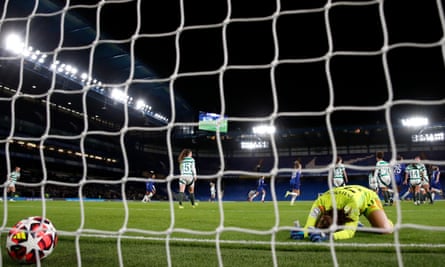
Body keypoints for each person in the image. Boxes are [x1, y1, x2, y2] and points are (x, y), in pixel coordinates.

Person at [290, 185, 394, 241]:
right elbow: (309, 226)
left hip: (368, 198)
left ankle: (357, 222)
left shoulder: (350, 205)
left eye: (320, 222)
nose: (320, 221)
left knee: (386, 230)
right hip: (348, 194)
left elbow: (349, 233)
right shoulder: (320, 202)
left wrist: (328, 237)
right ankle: (355, 223)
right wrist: (303, 233)